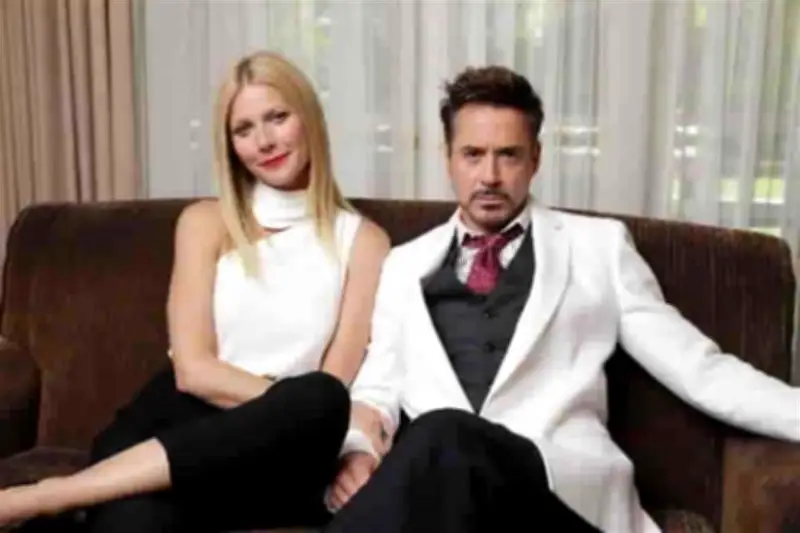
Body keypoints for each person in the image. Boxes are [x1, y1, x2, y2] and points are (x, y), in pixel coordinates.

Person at [323, 65, 800, 533]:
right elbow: (377, 387)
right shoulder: (404, 264)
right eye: (472, 154)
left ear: (536, 159)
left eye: (508, 155)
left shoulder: (599, 248)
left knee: (444, 432)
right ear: (447, 157)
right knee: (440, 449)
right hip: (449, 500)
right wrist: (358, 447)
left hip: (554, 497)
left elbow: (698, 368)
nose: (489, 175)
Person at [0, 50, 390, 532]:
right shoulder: (205, 222)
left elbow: (335, 383)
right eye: (243, 129)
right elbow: (193, 370)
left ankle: (51, 496)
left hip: (282, 448)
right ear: (231, 146)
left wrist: (286, 414)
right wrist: (281, 406)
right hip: (180, 419)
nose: (264, 141)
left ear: (308, 117)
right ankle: (61, 504)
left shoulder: (364, 242)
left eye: (277, 117)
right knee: (132, 523)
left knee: (323, 398)